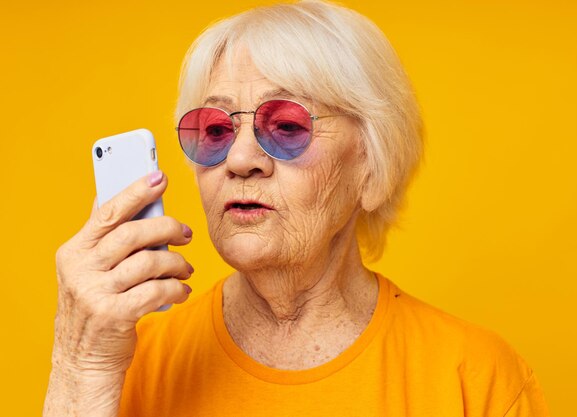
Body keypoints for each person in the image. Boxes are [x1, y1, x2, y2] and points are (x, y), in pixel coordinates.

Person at [44, 1, 550, 416]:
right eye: (216, 130)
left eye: (286, 126)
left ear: (371, 166)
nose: (240, 159)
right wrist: (80, 369)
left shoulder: (475, 380)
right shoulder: (125, 362)